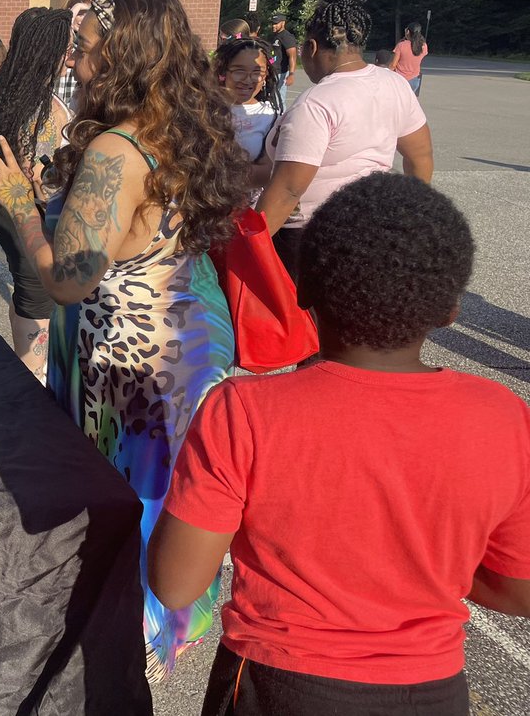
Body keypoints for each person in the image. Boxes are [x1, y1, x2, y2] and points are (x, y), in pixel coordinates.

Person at [149, 172, 530, 716]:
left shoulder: (244, 411)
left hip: (274, 684)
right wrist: (426, 562)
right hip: (432, 691)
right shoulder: (503, 416)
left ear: (302, 291)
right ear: (451, 311)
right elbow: (521, 591)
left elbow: (177, 584)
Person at [0, 0, 249, 681]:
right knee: (174, 493)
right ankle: (165, 624)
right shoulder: (186, 126)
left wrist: (24, 211)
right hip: (187, 341)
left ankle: (127, 639)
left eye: (90, 49)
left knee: (129, 498)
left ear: (124, 54)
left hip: (129, 362)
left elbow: (68, 278)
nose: (79, 61)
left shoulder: (115, 150)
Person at [256, 0, 435, 281]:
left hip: (308, 238)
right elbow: (420, 156)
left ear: (311, 47)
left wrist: (251, 251)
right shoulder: (394, 85)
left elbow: (288, 189)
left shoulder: (316, 104)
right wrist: (410, 218)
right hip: (371, 228)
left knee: (306, 324)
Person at [0, 7, 72, 381]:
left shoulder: (11, 88)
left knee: (26, 291)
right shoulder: (41, 107)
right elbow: (40, 179)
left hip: (5, 207)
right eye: (68, 49)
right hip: (25, 209)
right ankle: (34, 380)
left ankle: (27, 369)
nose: (72, 56)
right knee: (38, 299)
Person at [212, 37, 282, 164]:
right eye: (239, 71)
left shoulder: (270, 117)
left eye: (257, 72)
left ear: (266, 77)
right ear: (223, 72)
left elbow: (266, 173)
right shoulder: (203, 109)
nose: (247, 80)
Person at [55, 0, 90, 108]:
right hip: (58, 104)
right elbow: (63, 32)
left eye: (87, 15)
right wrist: (74, 10)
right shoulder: (61, 41)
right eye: (80, 14)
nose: (82, 20)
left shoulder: (88, 44)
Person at [268, 12, 298, 107]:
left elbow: (292, 56)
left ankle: (280, 119)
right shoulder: (274, 36)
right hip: (272, 72)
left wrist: (291, 74)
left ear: (283, 23)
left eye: (276, 23)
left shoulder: (287, 37)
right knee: (270, 98)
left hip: (281, 73)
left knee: (279, 99)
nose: (273, 26)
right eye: (273, 23)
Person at [391, 21, 429, 96]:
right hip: (414, 80)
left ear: (408, 31)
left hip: (400, 79)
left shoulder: (401, 45)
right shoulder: (423, 46)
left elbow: (393, 65)